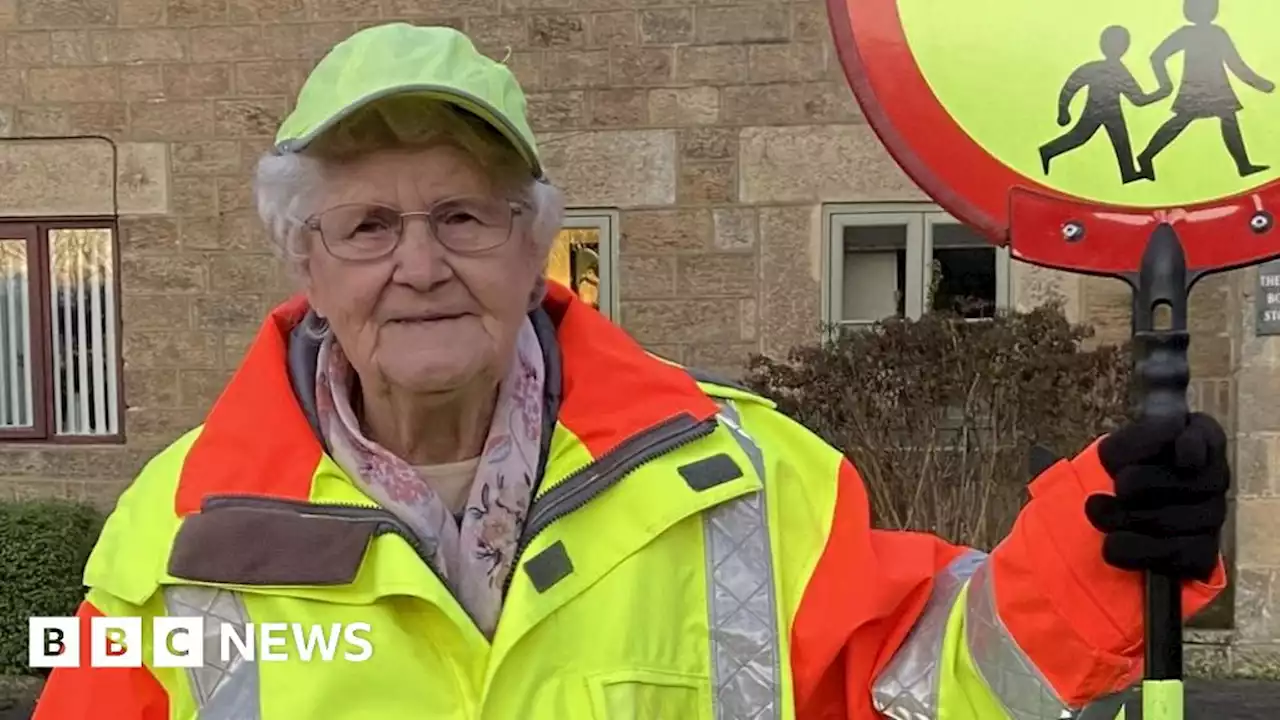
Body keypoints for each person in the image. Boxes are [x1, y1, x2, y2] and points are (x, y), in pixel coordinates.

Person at [32, 22, 1228, 720]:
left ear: (531, 240)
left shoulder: (740, 475)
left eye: (461, 215)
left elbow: (922, 677)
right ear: (306, 258)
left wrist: (1099, 550)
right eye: (366, 227)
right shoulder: (178, 530)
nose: (419, 265)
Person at [1135, 0, 1275, 180]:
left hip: (1215, 87)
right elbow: (1157, 56)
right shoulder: (1193, 34)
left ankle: (1243, 165)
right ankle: (1146, 155)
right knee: (1184, 121)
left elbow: (1234, 63)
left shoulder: (1214, 33)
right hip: (1199, 88)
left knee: (1226, 119)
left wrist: (1259, 83)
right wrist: (1165, 84)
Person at [1039, 25, 1165, 183]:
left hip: (1111, 112)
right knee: (1080, 137)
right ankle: (1047, 151)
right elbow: (1071, 86)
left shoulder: (1112, 70)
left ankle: (1129, 172)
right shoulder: (1102, 69)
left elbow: (1137, 99)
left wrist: (1161, 93)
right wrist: (1063, 110)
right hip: (1097, 111)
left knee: (1120, 141)